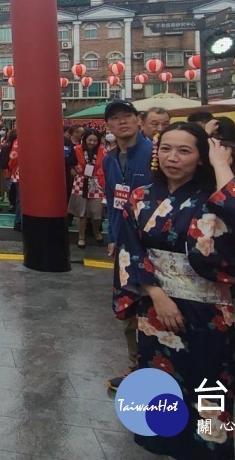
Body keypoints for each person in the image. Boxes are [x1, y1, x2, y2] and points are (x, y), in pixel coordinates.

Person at [114, 123, 235, 458]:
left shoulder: (214, 197)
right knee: (161, 389)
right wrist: (156, 294)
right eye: (165, 149)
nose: (173, 158)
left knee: (210, 389)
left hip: (207, 310)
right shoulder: (141, 196)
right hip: (156, 307)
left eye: (185, 150)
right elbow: (130, 251)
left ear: (201, 157)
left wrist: (221, 164)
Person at [102, 100, 154, 392]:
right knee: (128, 307)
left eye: (127, 117)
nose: (122, 122)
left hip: (154, 245)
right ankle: (136, 365)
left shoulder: (154, 154)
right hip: (124, 245)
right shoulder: (109, 159)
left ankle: (157, 369)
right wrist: (112, 235)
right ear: (108, 125)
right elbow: (112, 200)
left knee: (155, 308)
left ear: (138, 120)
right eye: (116, 118)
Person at [69, 129, 106, 249]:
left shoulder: (103, 151)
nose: (92, 142)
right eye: (90, 140)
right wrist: (73, 171)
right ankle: (81, 237)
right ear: (84, 139)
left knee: (97, 212)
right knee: (81, 212)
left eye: (95, 140)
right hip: (81, 181)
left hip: (96, 181)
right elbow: (69, 163)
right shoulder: (76, 149)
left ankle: (96, 231)